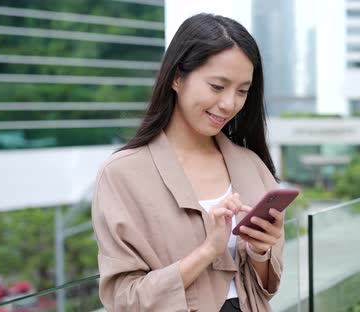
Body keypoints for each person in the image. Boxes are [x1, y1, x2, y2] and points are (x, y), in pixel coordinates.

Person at [91, 13, 284, 312]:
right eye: (217, 87)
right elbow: (124, 298)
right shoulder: (122, 174)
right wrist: (208, 251)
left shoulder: (253, 167)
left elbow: (266, 290)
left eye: (242, 91)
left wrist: (260, 251)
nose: (229, 104)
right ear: (177, 78)